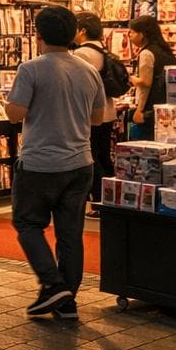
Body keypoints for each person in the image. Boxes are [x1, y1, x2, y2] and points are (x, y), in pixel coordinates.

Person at [7, 6, 107, 320]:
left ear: (38, 35)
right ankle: (68, 303)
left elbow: (15, 114)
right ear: (72, 34)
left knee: (27, 224)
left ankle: (52, 284)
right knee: (70, 234)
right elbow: (98, 118)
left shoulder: (31, 69)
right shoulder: (88, 69)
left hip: (39, 163)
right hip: (80, 163)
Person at [73, 12, 116, 217]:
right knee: (104, 155)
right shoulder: (102, 48)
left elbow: (81, 87)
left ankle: (99, 200)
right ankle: (111, 196)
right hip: (107, 110)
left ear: (82, 30)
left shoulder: (82, 54)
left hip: (91, 112)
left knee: (93, 157)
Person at [127, 16, 176, 140]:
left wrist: (140, 110)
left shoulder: (146, 53)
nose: (129, 35)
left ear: (142, 34)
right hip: (167, 107)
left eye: (132, 32)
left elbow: (145, 83)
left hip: (149, 109)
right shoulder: (165, 52)